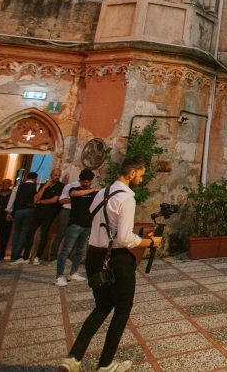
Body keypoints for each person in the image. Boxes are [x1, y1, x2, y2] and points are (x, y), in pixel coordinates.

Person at [58, 157, 161, 372]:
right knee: (123, 308)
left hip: (94, 255)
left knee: (102, 306)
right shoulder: (126, 198)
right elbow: (123, 239)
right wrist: (149, 241)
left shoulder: (100, 194)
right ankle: (105, 363)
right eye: (141, 175)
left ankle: (74, 358)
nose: (141, 180)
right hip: (116, 258)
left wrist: (136, 236)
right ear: (132, 173)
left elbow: (105, 227)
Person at [55, 168, 99, 286]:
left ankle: (73, 272)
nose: (86, 184)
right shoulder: (74, 189)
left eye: (88, 182)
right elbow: (74, 194)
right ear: (80, 181)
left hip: (87, 225)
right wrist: (93, 190)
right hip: (74, 224)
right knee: (66, 250)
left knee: (81, 250)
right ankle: (59, 276)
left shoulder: (92, 192)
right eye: (84, 182)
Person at [30, 168, 65, 264]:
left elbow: (53, 200)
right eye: (55, 175)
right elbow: (35, 199)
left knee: (44, 234)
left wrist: (41, 201)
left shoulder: (61, 186)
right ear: (51, 175)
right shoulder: (43, 185)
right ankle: (26, 256)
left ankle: (38, 256)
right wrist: (45, 187)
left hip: (50, 213)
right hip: (38, 212)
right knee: (30, 232)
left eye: (58, 175)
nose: (57, 177)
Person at [7, 172, 39, 263]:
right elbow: (36, 199)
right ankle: (17, 255)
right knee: (24, 233)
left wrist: (9, 212)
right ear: (35, 179)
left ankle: (13, 255)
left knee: (16, 232)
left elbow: (11, 201)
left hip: (18, 211)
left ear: (26, 178)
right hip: (29, 210)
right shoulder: (36, 188)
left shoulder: (17, 187)